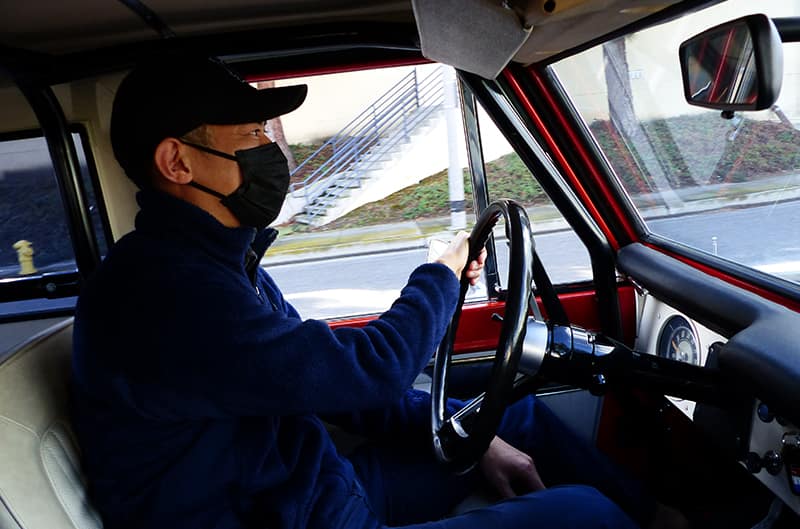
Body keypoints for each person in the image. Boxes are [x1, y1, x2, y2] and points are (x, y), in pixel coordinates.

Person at [71, 55, 676, 529]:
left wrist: (477, 439)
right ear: (178, 161)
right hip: (278, 517)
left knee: (512, 417)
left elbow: (339, 390)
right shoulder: (163, 295)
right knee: (587, 516)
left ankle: (662, 520)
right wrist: (442, 273)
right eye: (253, 133)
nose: (273, 151)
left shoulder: (222, 268)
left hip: (311, 493)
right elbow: (374, 372)